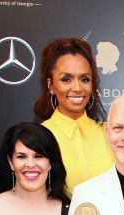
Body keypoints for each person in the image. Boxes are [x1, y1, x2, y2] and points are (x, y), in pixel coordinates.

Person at [34, 38, 114, 191]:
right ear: (50, 85)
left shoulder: (112, 133)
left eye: (84, 79)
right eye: (66, 79)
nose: (77, 88)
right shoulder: (39, 138)